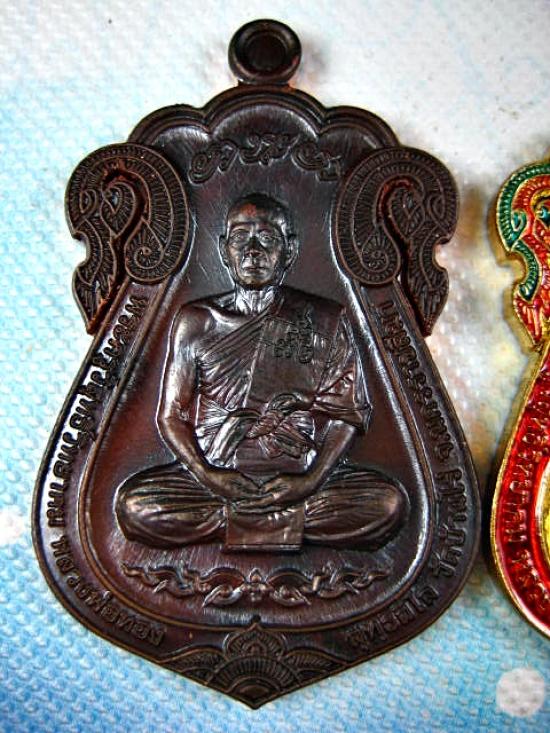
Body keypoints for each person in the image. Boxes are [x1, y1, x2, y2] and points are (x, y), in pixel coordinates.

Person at [116, 194, 408, 551]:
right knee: (136, 506)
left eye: (267, 238)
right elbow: (171, 415)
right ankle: (280, 521)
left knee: (387, 504)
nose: (252, 251)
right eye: (241, 238)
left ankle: (238, 520)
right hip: (216, 472)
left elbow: (345, 413)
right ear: (224, 250)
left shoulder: (324, 318)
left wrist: (309, 481)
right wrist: (208, 475)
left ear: (289, 249)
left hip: (297, 473)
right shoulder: (196, 321)